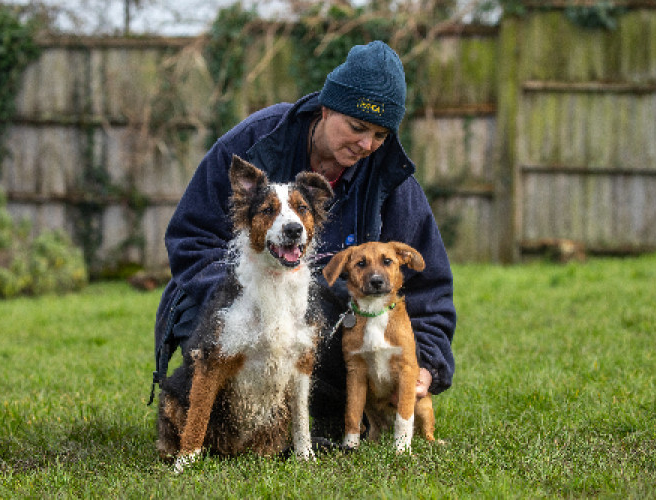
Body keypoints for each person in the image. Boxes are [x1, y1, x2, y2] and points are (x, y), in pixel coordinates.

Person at [149, 40, 456, 440]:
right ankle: (206, 424)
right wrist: (249, 304)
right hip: (229, 301)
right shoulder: (254, 142)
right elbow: (191, 238)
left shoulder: (390, 177)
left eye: (380, 134)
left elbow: (429, 283)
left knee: (327, 372)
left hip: (318, 323)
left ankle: (310, 423)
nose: (367, 145)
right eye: (357, 127)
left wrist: (427, 363)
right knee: (220, 376)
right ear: (326, 109)